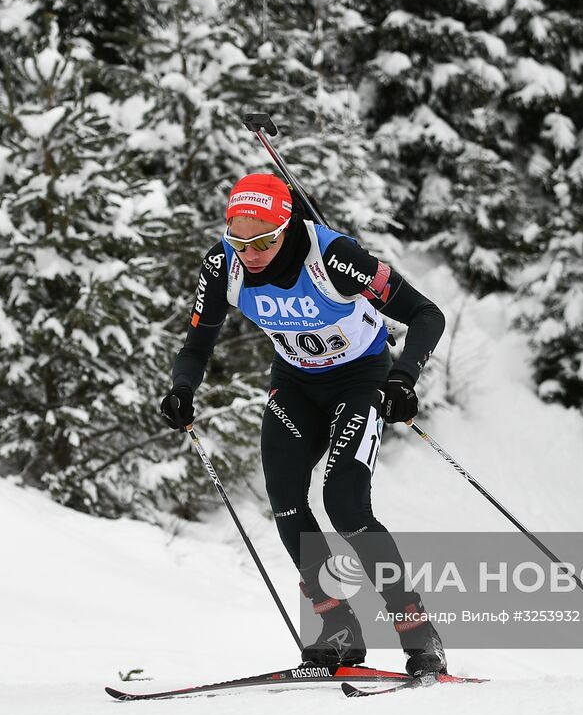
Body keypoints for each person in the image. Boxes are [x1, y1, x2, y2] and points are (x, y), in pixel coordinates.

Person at [159, 172, 448, 676]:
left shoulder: (334, 257)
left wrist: (402, 379)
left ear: (287, 226)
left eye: (263, 240)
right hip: (295, 385)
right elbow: (197, 342)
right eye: (239, 240)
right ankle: (339, 629)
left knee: (344, 502)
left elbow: (427, 315)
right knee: (287, 499)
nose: (250, 253)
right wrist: (183, 388)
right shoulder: (222, 263)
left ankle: (418, 634)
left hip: (360, 379)